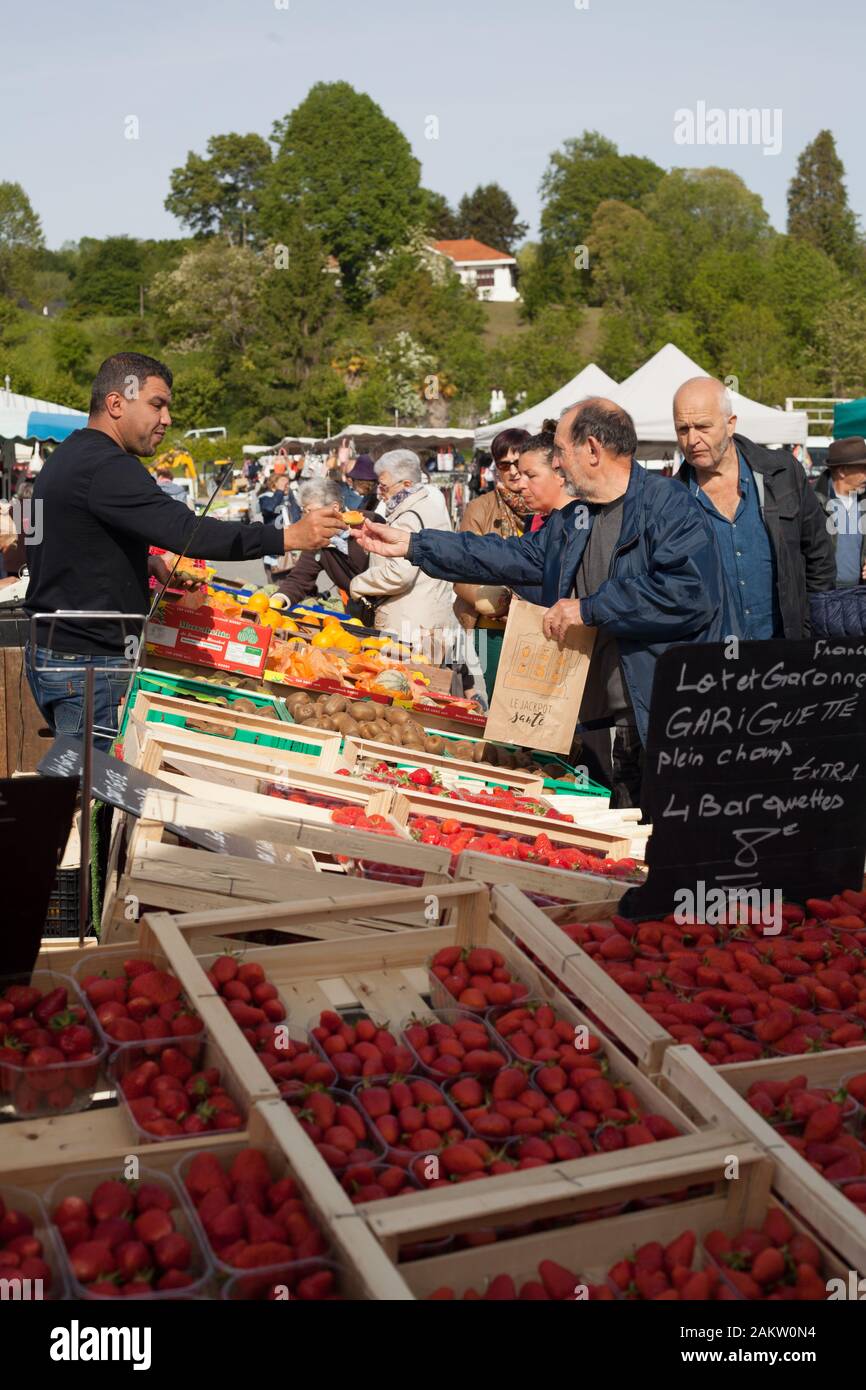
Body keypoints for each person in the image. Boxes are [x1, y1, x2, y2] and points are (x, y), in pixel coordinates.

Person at [357, 399, 731, 805]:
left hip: (661, 716)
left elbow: (688, 593)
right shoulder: (577, 516)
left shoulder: (669, 505)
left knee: (663, 838)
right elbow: (510, 557)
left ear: (592, 449)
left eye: (561, 452)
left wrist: (589, 608)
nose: (557, 464)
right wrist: (416, 544)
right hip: (596, 717)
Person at [24, 352, 343, 748]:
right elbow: (187, 532)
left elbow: (59, 541)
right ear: (116, 403)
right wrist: (285, 538)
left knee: (80, 782)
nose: (167, 419)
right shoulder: (108, 468)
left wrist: (142, 561)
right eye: (157, 405)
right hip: (90, 663)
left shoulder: (67, 457)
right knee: (92, 789)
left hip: (56, 654)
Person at [673, 377, 835, 638]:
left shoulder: (783, 472)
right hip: (711, 660)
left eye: (703, 427)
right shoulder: (670, 500)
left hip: (785, 651)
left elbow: (818, 553)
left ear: (730, 425)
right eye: (683, 429)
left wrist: (810, 628)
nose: (692, 439)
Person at [348, 449, 459, 661]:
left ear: (406, 485)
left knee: (403, 687)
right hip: (430, 620)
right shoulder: (430, 507)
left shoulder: (409, 517)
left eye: (384, 486)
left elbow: (399, 574)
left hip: (408, 626)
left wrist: (358, 583)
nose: (380, 492)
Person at [451, 428, 535, 698]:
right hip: (493, 627)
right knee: (503, 701)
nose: (512, 471)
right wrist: (491, 602)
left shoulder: (549, 505)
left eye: (518, 462)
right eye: (504, 465)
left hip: (537, 623)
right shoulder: (480, 508)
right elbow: (460, 572)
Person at [278, 478, 376, 617]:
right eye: (303, 512)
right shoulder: (317, 539)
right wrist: (279, 599)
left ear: (334, 508)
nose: (305, 518)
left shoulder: (369, 523)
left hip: (389, 608)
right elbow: (300, 578)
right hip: (358, 613)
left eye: (310, 512)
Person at [813, 436, 866, 588]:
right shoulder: (812, 502)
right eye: (863, 468)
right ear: (842, 471)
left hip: (859, 594)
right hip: (824, 594)